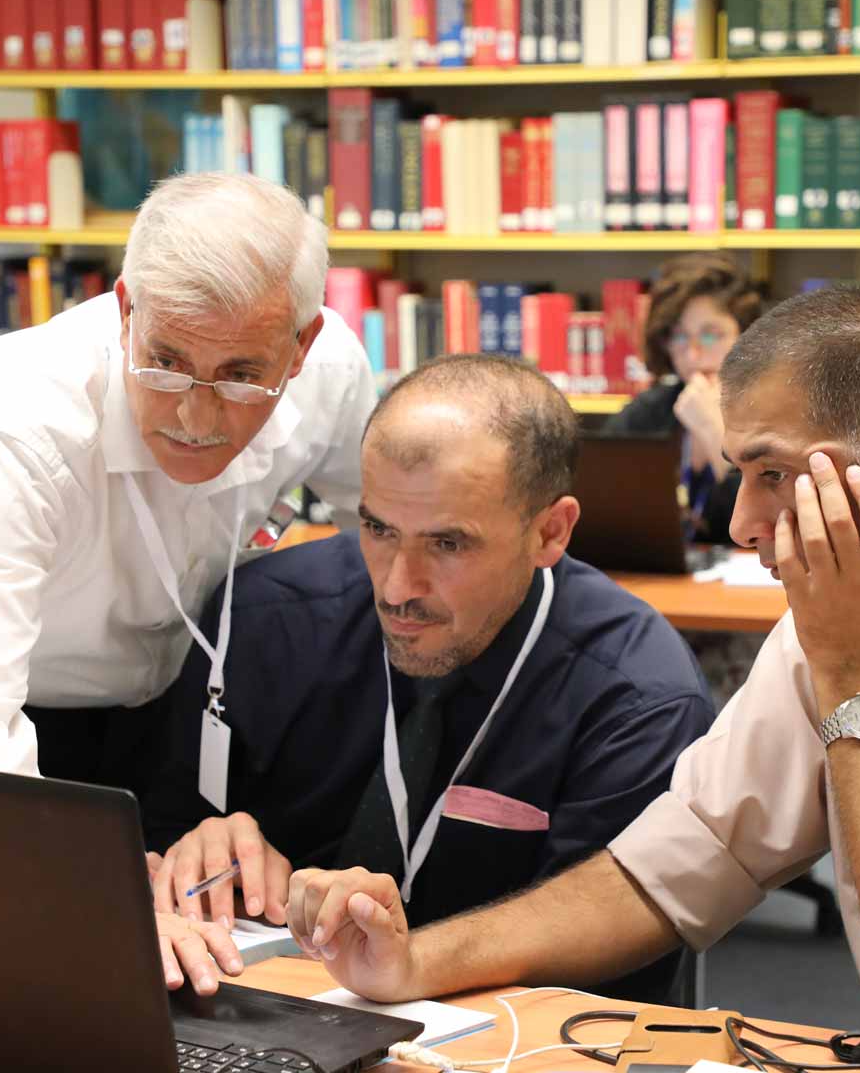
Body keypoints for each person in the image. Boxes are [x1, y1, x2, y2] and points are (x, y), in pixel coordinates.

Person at [286, 286, 860, 1062]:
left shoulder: (842, 635)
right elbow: (662, 874)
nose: (740, 524)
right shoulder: (846, 615)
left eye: (771, 473)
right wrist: (416, 961)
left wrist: (851, 672)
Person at [146, 354, 714, 999]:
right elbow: (152, 850)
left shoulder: (637, 697)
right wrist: (196, 858)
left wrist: (416, 963)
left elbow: (613, 983)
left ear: (550, 532)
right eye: (378, 529)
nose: (396, 587)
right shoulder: (261, 618)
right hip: (260, 1016)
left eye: (448, 544)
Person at [0, 172, 376, 792]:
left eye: (240, 375)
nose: (195, 420)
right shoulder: (5, 428)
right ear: (125, 313)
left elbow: (393, 537)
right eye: (167, 364)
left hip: (205, 696)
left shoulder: (331, 372)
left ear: (301, 346)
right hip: (26, 710)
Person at [604, 252, 762, 545]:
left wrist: (715, 433)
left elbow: (762, 527)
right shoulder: (651, 410)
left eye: (710, 335)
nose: (692, 355)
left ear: (747, 336)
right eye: (678, 336)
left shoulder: (773, 415)